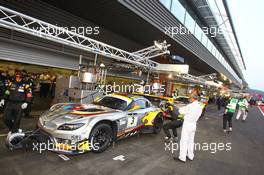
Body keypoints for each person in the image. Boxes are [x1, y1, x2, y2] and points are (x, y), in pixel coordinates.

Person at [176, 95, 203, 163]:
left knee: (184, 141)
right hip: (194, 124)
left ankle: (182, 157)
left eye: (190, 98)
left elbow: (181, 111)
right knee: (191, 141)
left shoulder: (190, 106)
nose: (189, 99)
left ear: (193, 99)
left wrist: (181, 107)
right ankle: (190, 156)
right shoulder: (200, 106)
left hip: (187, 124)